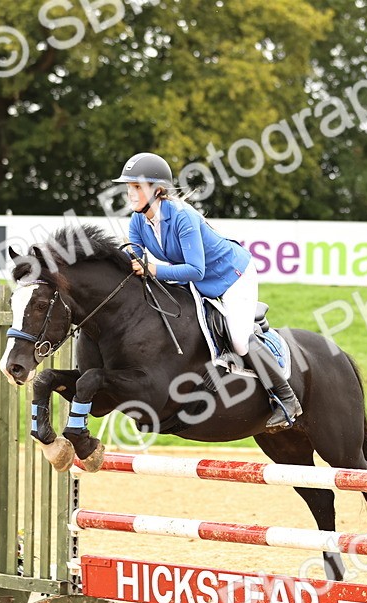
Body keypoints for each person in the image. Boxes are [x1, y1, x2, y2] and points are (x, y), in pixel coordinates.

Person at [114, 152, 302, 429]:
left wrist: (153, 269)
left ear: (158, 190)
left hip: (232, 276)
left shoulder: (183, 217)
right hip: (197, 282)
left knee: (239, 338)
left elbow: (195, 269)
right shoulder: (138, 221)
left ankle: (287, 399)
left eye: (137, 187)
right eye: (129, 187)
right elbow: (135, 258)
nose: (131, 194)